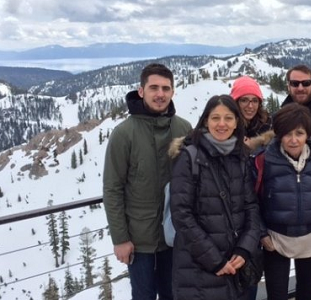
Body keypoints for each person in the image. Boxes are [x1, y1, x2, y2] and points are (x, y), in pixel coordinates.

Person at [103, 63, 192, 300]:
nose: (160, 94)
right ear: (141, 91)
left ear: (173, 92)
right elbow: (112, 188)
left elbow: (195, 182)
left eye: (166, 88)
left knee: (175, 294)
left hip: (175, 237)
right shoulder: (124, 133)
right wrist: (120, 238)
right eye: (154, 88)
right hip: (139, 241)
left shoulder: (183, 129)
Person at [169, 95, 261, 300]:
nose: (222, 124)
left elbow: (251, 206)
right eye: (215, 118)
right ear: (205, 121)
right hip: (198, 268)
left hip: (236, 264)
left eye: (228, 118)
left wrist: (245, 249)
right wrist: (215, 260)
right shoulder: (189, 157)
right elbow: (181, 215)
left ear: (237, 122)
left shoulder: (241, 155)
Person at [252, 103, 311, 300]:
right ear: (279, 134)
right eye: (287, 134)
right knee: (277, 294)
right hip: (275, 238)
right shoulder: (263, 161)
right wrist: (263, 234)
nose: (294, 140)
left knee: (307, 293)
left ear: (308, 134)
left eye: (299, 133)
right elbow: (252, 201)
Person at [230, 75, 272, 150]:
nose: (250, 106)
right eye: (244, 100)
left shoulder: (269, 125)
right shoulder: (226, 128)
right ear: (235, 102)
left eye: (255, 101)